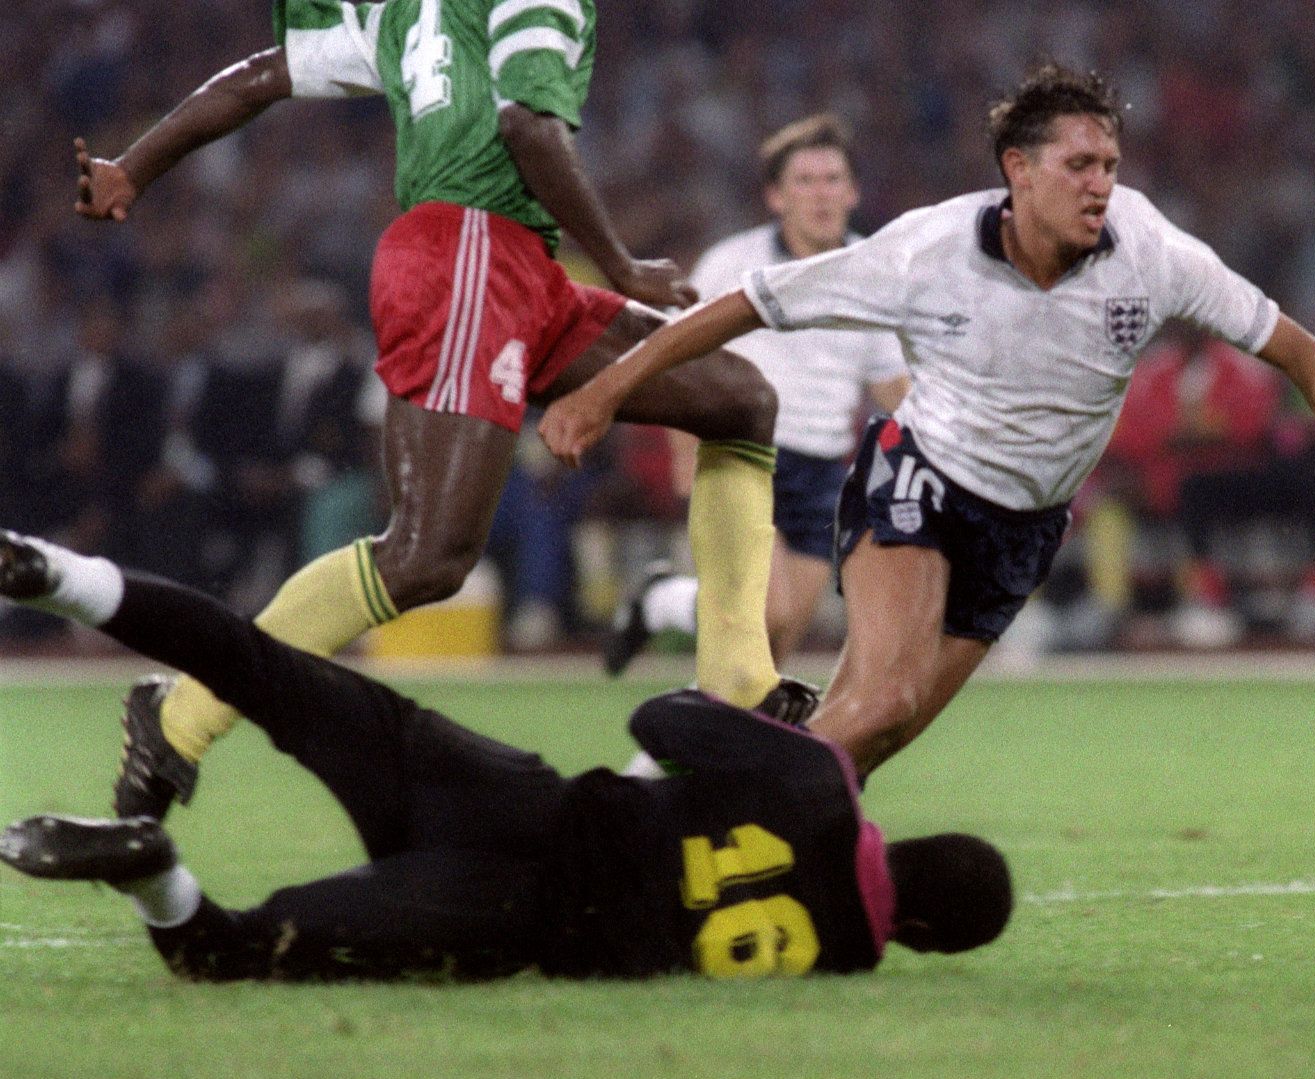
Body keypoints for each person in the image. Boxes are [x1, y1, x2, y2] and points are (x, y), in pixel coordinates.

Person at [539, 65, 1315, 777]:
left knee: (862, 744)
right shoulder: (925, 251)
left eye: (1110, 166)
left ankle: (696, 790)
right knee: (878, 706)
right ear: (1019, 169)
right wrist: (607, 390)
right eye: (1079, 166)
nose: (1101, 186)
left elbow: (1303, 354)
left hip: (1026, 528)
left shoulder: (1154, 256)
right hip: (918, 480)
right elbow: (749, 305)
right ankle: (678, 829)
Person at [78, 0, 796, 821]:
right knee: (427, 555)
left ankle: (738, 681)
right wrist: (622, 265)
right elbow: (528, 126)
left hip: (511, 264)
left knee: (740, 400)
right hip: (469, 255)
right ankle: (181, 716)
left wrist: (134, 166)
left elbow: (259, 78)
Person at [0, 530, 1011, 981]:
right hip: (511, 919)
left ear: (911, 840)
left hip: (521, 802)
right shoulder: (840, 958)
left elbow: (663, 720)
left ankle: (58, 573)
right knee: (232, 952)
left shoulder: (819, 785)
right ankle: (152, 868)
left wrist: (757, 732)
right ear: (916, 934)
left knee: (266, 670)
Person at [605, 114, 910, 671]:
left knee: (780, 640)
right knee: (761, 616)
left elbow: (892, 384)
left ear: (853, 190)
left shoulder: (874, 272)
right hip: (745, 453)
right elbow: (680, 359)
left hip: (822, 471)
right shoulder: (733, 263)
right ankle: (669, 608)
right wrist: (683, 449)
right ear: (775, 196)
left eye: (832, 179)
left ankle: (665, 608)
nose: (821, 194)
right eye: (804, 181)